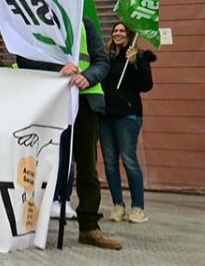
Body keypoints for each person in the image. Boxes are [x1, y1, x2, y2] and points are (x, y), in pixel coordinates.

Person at [17, 17, 122, 250]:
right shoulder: (36, 22)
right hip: (51, 102)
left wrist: (88, 76)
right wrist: (58, 70)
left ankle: (90, 228)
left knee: (87, 167)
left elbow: (101, 61)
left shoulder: (84, 22)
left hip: (85, 102)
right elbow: (24, 58)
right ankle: (31, 225)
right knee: (44, 163)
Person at [100, 22, 156, 224]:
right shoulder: (107, 57)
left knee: (129, 159)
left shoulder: (138, 56)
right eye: (115, 30)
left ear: (129, 34)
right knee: (109, 162)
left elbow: (146, 85)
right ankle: (117, 206)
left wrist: (134, 64)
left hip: (128, 116)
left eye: (122, 31)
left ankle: (138, 208)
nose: (117, 33)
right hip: (106, 116)